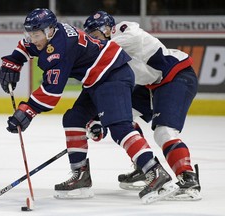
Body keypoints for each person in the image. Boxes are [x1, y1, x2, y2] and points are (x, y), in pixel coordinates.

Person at [0, 8, 178, 204]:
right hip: (97, 79)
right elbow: (26, 46)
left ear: (49, 31)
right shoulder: (50, 35)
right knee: (73, 119)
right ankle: (81, 176)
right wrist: (13, 62)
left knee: (119, 127)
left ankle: (154, 171)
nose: (33, 39)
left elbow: (51, 93)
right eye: (30, 34)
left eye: (36, 34)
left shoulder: (60, 49)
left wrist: (27, 111)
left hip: (113, 75)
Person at [83, 11, 201, 201]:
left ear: (107, 30)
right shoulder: (106, 55)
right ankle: (143, 166)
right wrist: (99, 122)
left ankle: (188, 178)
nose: (94, 42)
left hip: (175, 77)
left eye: (96, 36)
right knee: (120, 118)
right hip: (151, 85)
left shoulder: (123, 30)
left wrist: (99, 47)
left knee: (164, 133)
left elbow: (131, 35)